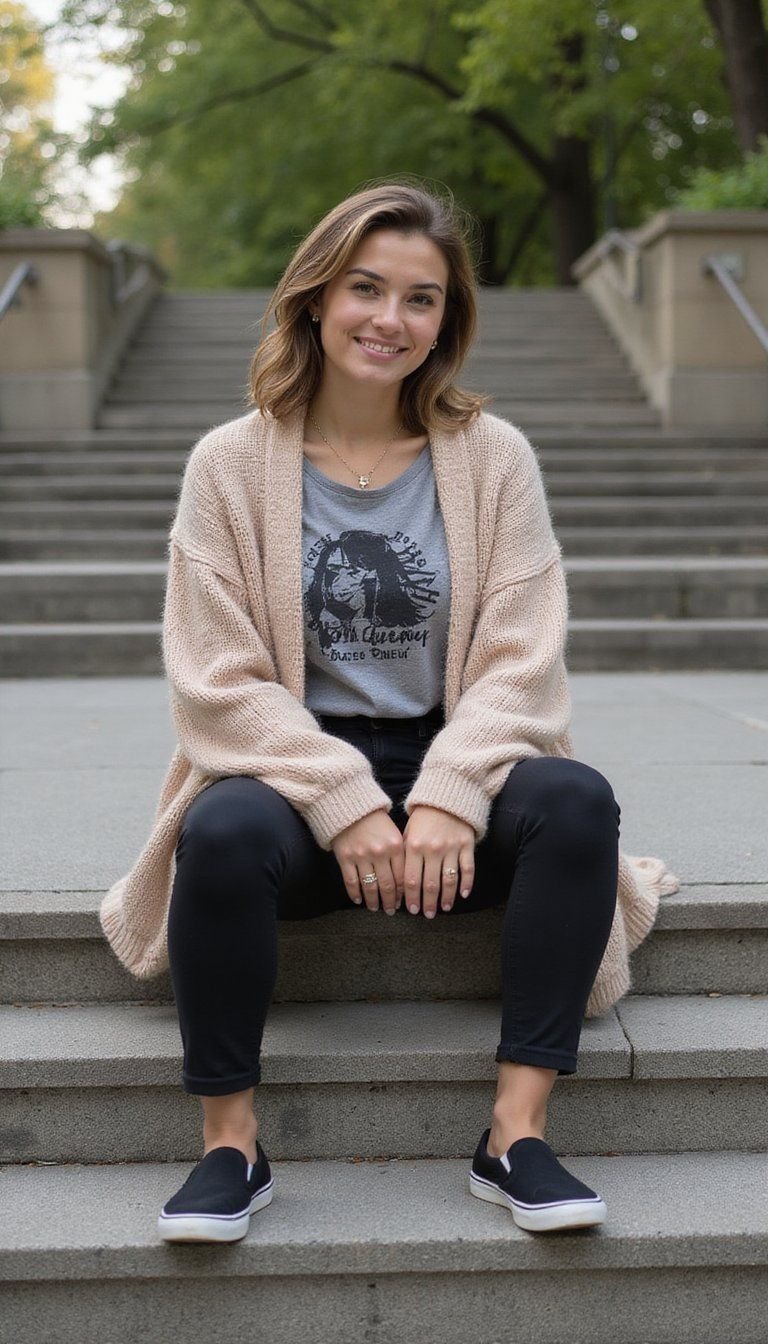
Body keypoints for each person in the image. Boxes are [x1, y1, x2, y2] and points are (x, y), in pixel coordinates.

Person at [99, 180, 678, 1244]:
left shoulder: (494, 458)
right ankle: (230, 1147)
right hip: (293, 777)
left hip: (460, 762)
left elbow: (523, 657)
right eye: (365, 288)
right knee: (216, 830)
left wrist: (452, 788)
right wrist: (343, 796)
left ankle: (515, 1136)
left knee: (575, 802)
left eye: (422, 298)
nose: (389, 319)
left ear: (446, 322)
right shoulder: (229, 464)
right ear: (316, 298)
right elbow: (215, 676)